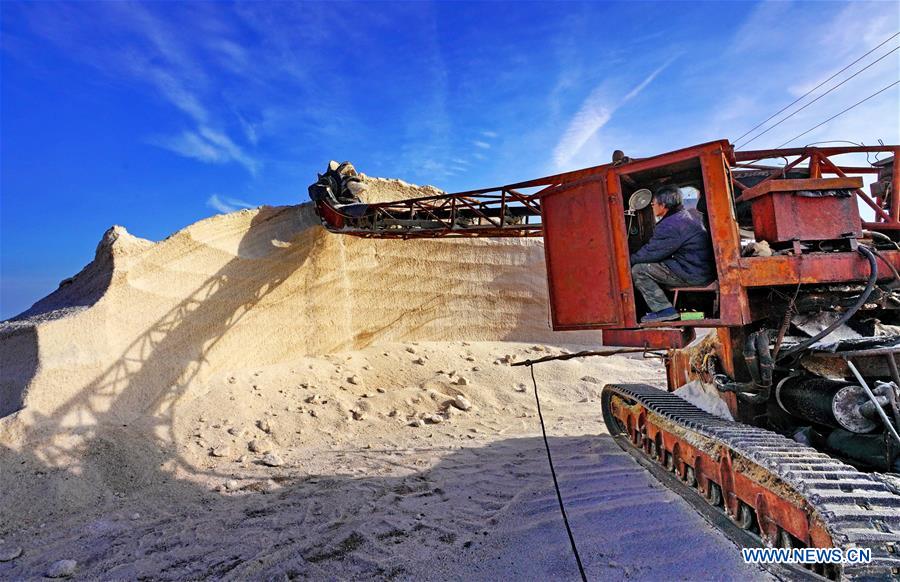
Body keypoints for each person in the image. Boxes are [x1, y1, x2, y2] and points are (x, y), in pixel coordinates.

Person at [630, 185, 715, 322]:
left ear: (663, 205)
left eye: (653, 204)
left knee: (639, 270)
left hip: (692, 272)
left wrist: (627, 261)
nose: (652, 207)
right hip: (700, 269)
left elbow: (651, 253)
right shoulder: (685, 216)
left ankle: (664, 310)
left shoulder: (670, 224)